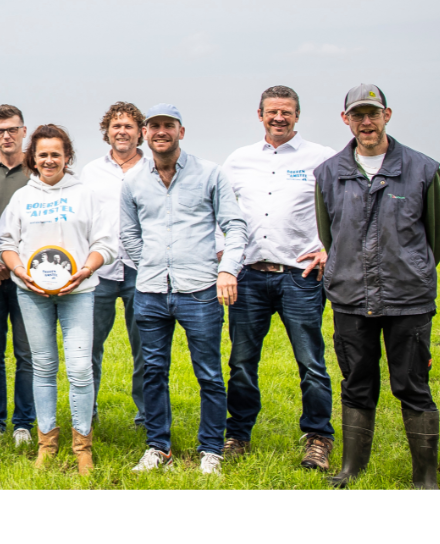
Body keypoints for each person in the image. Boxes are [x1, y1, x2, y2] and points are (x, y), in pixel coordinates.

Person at [317, 84, 440, 490]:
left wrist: (409, 269)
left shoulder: (423, 169)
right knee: (356, 383)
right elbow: (330, 235)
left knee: (412, 385)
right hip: (351, 298)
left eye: (373, 113)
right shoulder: (329, 172)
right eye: (357, 115)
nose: (366, 122)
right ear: (346, 120)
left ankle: (424, 476)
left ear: (387, 115)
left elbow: (437, 236)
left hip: (407, 300)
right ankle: (351, 468)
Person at [121, 103, 247, 475]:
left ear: (181, 131)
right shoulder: (133, 181)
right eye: (154, 126)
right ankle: (158, 447)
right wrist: (151, 264)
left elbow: (235, 226)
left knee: (208, 371)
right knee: (153, 370)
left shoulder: (210, 174)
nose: (161, 132)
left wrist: (227, 271)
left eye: (168, 125)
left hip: (201, 291)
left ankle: (211, 448)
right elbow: (129, 233)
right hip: (151, 291)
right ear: (145, 132)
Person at [219, 86, 339, 469]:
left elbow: (342, 210)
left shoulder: (321, 158)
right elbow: (218, 208)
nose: (279, 118)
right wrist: (225, 252)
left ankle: (318, 436)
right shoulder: (239, 160)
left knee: (311, 361)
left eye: (286, 112)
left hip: (299, 277)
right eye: (272, 111)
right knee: (241, 362)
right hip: (250, 276)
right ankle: (238, 435)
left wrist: (327, 249)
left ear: (297, 116)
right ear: (260, 115)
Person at [0, 124, 116, 473]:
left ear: (67, 157)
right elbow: (6, 243)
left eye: (56, 154)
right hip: (32, 295)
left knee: (80, 369)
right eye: (43, 154)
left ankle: (82, 445)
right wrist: (18, 271)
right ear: (34, 158)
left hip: (79, 293)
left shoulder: (85, 194)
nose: (49, 160)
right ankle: (46, 442)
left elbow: (105, 243)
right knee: (43, 367)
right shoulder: (23, 197)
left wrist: (86, 270)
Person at [80, 102, 148, 426]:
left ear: (140, 132)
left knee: (147, 347)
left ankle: (147, 417)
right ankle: (86, 414)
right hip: (100, 271)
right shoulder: (91, 172)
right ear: (107, 131)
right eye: (116, 126)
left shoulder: (153, 167)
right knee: (89, 345)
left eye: (129, 126)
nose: (122, 131)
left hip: (143, 269)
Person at [0, 104, 35, 446]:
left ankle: (23, 422)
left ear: (24, 131)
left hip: (29, 277)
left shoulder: (38, 172)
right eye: (0, 131)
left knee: (26, 352)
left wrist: (16, 265)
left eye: (12, 129)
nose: (7, 136)